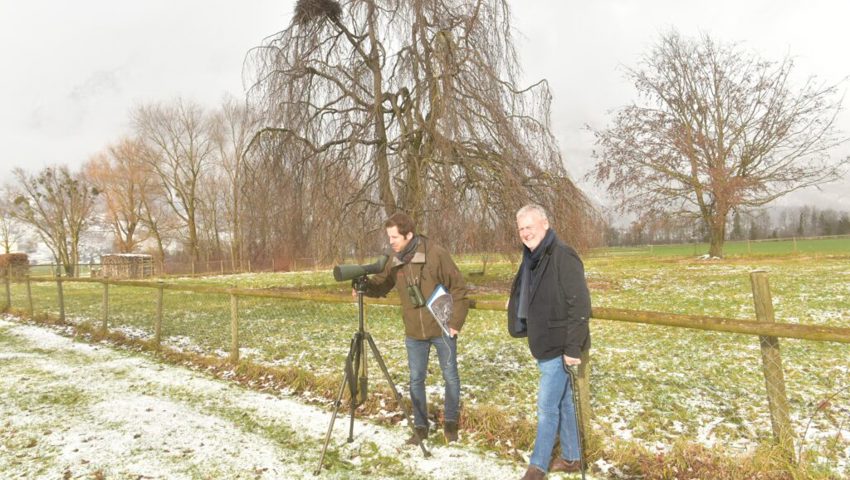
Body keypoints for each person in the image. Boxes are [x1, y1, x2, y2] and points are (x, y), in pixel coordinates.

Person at [362, 212, 469, 445]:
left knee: (450, 377)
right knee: (415, 380)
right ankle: (420, 428)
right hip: (414, 333)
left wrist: (454, 324)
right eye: (389, 237)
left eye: (394, 237)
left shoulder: (436, 254)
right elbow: (382, 285)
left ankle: (451, 423)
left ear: (409, 235)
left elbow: (459, 289)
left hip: (442, 328)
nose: (390, 242)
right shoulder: (395, 258)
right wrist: (364, 285)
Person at [507, 204, 591, 480]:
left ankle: (538, 466)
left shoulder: (562, 256)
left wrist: (572, 349)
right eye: (521, 228)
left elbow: (579, 304)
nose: (525, 233)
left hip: (559, 346)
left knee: (546, 408)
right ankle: (571, 457)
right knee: (564, 403)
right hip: (543, 344)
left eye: (529, 226)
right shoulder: (532, 258)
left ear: (545, 224)